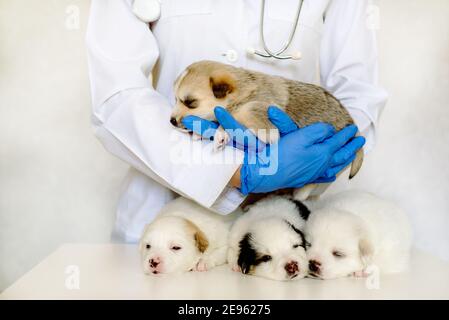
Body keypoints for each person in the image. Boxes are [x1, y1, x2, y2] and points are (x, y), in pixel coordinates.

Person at [86, 0, 388, 242]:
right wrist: (231, 170)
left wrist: (325, 152)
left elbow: (358, 89)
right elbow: (116, 94)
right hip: (166, 215)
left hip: (286, 219)